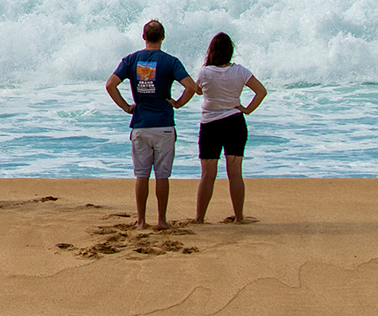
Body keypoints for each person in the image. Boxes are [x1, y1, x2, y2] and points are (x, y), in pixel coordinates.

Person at [104, 19, 197, 229]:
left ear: (144, 37)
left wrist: (127, 107)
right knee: (162, 175)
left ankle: (142, 220)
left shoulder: (131, 60)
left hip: (141, 123)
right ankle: (162, 220)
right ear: (163, 37)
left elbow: (110, 85)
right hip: (164, 124)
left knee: (141, 174)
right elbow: (191, 86)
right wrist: (179, 103)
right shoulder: (171, 61)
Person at [193, 31, 266, 223]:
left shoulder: (205, 72)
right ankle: (239, 217)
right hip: (235, 122)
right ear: (230, 51)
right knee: (235, 174)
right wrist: (247, 109)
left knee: (208, 174)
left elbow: (198, 91)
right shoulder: (240, 71)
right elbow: (261, 91)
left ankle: (200, 218)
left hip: (210, 124)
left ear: (212, 51)